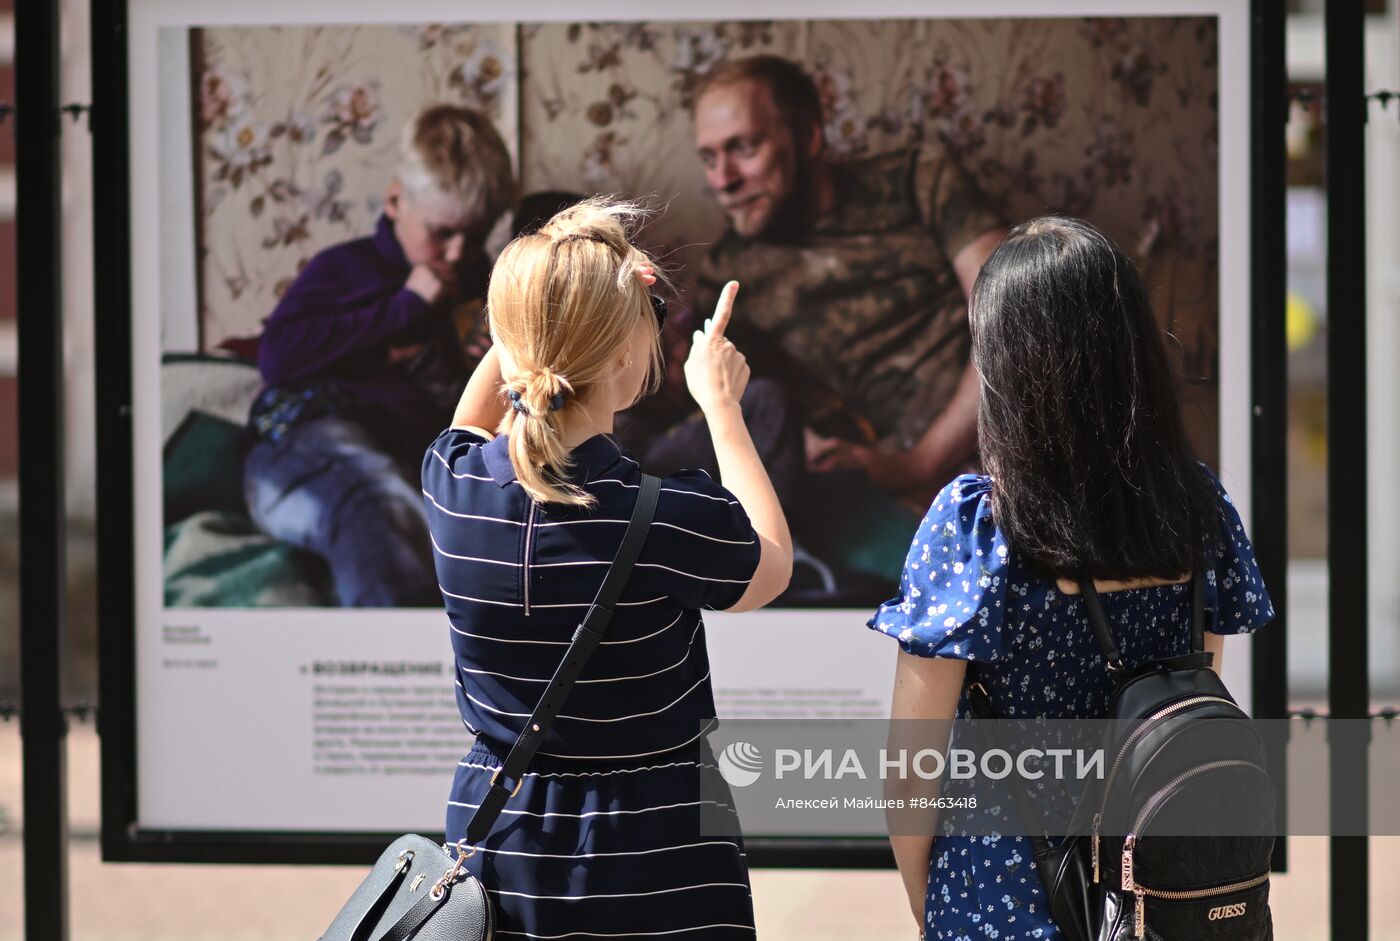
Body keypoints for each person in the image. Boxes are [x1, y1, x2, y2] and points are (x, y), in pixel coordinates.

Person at [867, 216, 1275, 940]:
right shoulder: (1195, 504)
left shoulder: (978, 524)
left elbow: (911, 775)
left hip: (1000, 893)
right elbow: (1190, 709)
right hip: (1159, 904)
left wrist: (931, 899)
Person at [421, 198, 792, 939]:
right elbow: (771, 564)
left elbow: (475, 413)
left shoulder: (451, 484)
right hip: (656, 854)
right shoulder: (666, 517)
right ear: (624, 358)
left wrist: (543, 302)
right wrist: (721, 404)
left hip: (504, 844)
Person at [691, 55, 1007, 504]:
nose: (724, 181)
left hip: (1016, 423)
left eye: (744, 148)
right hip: (895, 489)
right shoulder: (728, 275)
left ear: (809, 137)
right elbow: (734, 406)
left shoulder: (917, 180)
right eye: (709, 158)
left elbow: (1015, 320)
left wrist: (920, 462)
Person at [243, 103, 515, 606]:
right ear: (395, 201)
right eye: (442, 233)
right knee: (377, 498)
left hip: (407, 454)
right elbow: (276, 360)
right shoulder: (346, 268)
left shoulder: (483, 290)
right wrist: (403, 306)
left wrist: (488, 368)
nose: (456, 254)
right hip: (304, 438)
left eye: (474, 236)